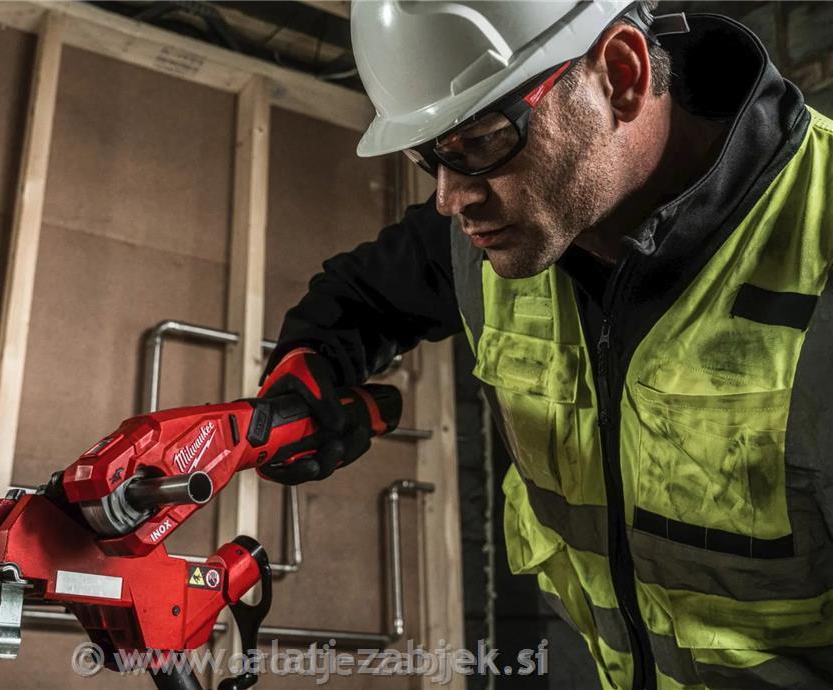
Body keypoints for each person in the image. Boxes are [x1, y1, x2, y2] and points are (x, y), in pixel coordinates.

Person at [255, 1, 833, 689]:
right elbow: (360, 297)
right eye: (427, 155)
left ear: (621, 75)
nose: (449, 199)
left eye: (479, 141)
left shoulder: (818, 238)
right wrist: (307, 371)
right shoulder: (499, 231)